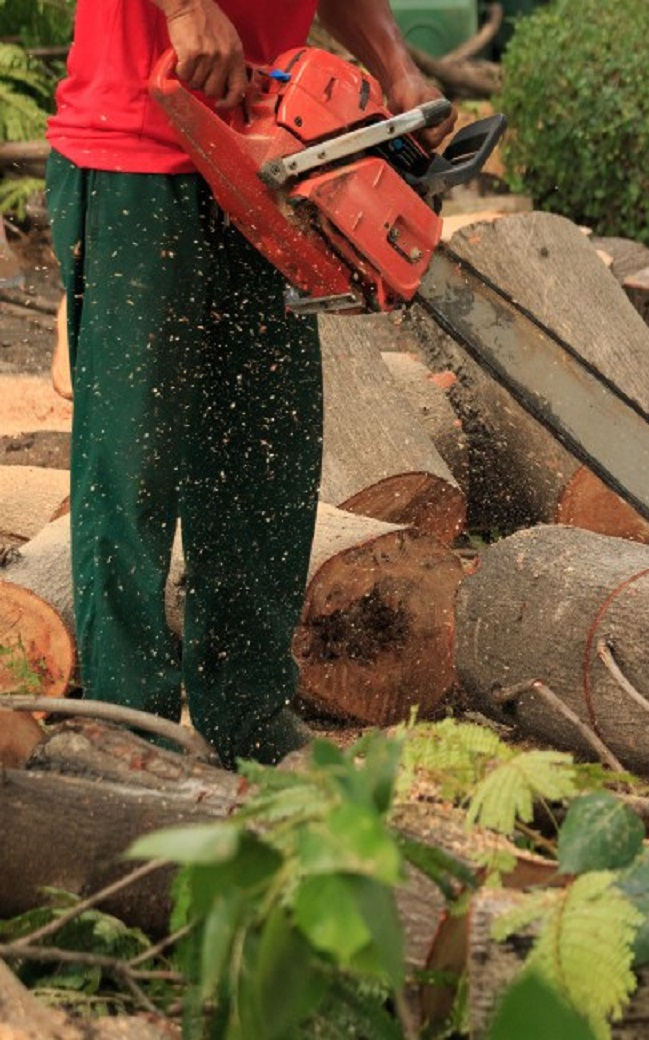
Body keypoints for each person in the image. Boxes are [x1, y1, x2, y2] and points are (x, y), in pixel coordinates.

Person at [44, 0, 456, 767]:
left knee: (266, 450)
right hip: (135, 149)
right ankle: (127, 728)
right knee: (131, 459)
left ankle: (247, 710)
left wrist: (396, 67)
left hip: (272, 157)